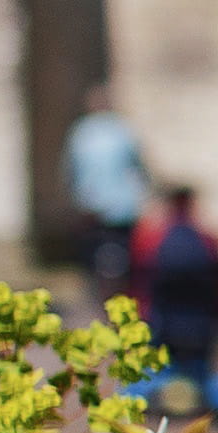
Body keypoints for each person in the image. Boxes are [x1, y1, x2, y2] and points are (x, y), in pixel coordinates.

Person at [132, 185, 218, 423]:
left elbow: (138, 285)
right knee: (210, 380)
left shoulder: (151, 240)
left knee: (144, 380)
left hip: (163, 329)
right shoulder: (209, 241)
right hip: (201, 332)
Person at [63, 86, 148, 302]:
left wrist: (75, 200)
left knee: (92, 255)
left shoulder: (81, 132)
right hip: (122, 206)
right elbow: (139, 166)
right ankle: (124, 292)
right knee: (126, 253)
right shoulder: (123, 130)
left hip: (91, 206)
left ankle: (96, 293)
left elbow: (70, 171)